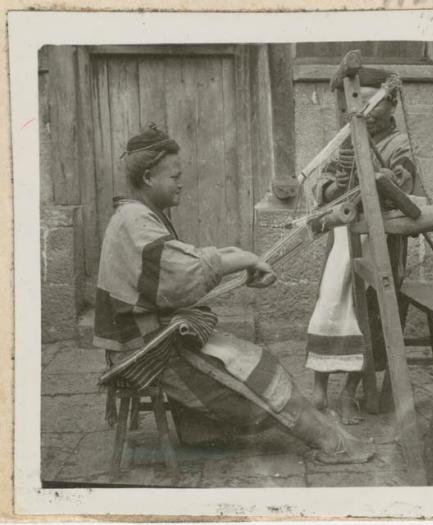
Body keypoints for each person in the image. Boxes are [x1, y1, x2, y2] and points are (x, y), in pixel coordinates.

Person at [94, 123, 375, 465]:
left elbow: (184, 259)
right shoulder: (136, 222)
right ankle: (332, 443)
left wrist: (241, 258)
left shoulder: (134, 215)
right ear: (150, 177)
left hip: (152, 336)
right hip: (148, 351)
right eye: (174, 176)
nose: (181, 182)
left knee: (248, 357)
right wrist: (244, 258)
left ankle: (205, 431)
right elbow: (181, 272)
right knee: (263, 378)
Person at [305, 69, 416, 424]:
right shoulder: (347, 139)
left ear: (391, 102)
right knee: (331, 304)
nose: (366, 110)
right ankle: (319, 391)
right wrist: (336, 186)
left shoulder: (400, 145)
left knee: (370, 312)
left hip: (381, 238)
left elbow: (405, 183)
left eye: (373, 102)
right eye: (359, 102)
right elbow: (319, 183)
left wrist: (380, 176)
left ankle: (349, 394)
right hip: (344, 236)